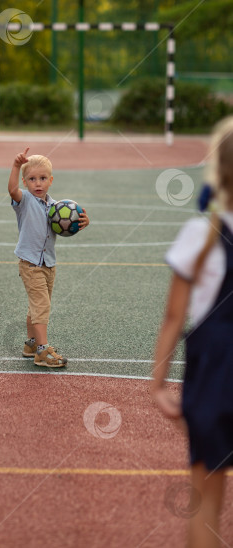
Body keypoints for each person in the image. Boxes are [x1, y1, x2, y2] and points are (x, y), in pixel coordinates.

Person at [152, 116, 233, 548]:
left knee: (205, 500)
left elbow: (173, 317)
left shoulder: (201, 234)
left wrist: (158, 383)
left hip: (216, 375)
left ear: (217, 171)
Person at [8, 147, 89, 368]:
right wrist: (16, 167)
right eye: (32, 179)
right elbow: (12, 189)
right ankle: (42, 352)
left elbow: (69, 223)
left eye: (42, 178)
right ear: (25, 182)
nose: (38, 183)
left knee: (37, 306)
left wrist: (83, 222)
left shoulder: (56, 207)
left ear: (50, 180)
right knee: (41, 306)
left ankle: (31, 344)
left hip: (48, 264)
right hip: (30, 263)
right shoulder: (24, 200)